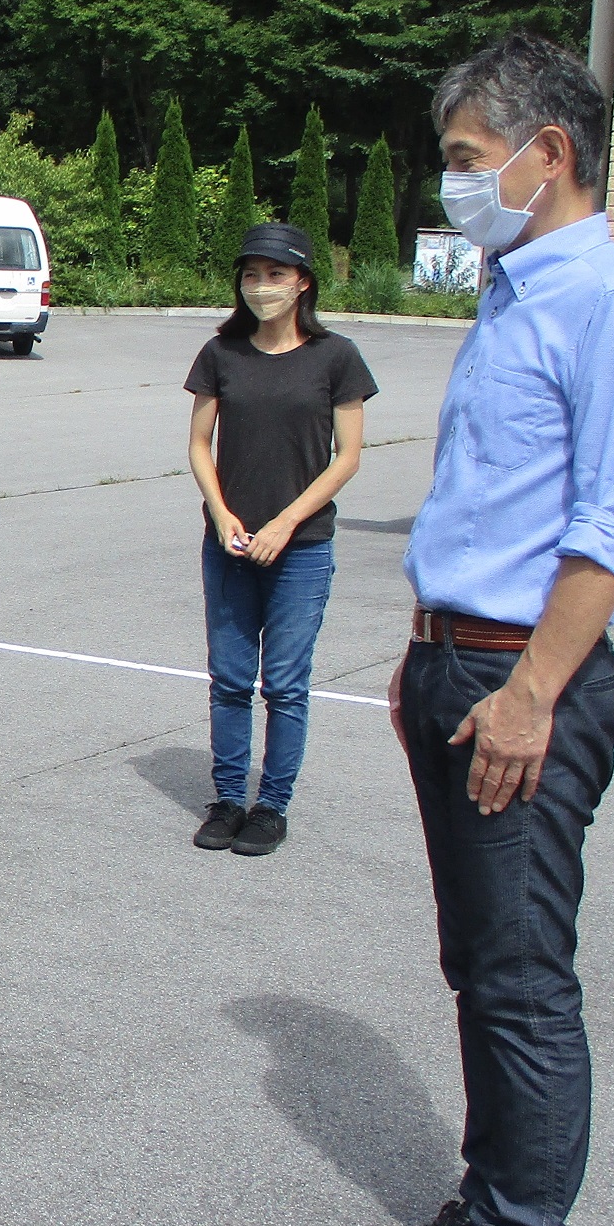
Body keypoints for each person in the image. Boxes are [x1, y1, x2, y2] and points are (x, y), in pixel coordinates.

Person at [347, 32, 614, 1226]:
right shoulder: (514, 289)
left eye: (468, 157)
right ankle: (494, 1196)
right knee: (479, 961)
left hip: (524, 678)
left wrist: (530, 693)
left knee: (521, 971)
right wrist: (423, 653)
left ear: (551, 152)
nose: (455, 183)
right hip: (457, 662)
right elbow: (489, 505)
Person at [184, 223, 376, 856]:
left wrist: (285, 523)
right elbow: (199, 444)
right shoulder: (221, 354)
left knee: (286, 685)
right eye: (251, 275)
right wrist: (220, 514)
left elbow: (347, 457)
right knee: (230, 680)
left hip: (302, 548)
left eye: (275, 275)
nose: (261, 286)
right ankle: (227, 800)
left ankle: (271, 807)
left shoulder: (336, 357)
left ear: (302, 283)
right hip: (231, 546)